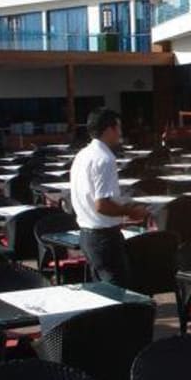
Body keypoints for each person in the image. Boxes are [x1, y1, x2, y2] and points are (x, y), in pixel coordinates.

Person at [69, 108, 149, 287]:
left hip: (87, 235)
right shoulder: (105, 158)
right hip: (104, 238)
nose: (120, 133)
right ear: (109, 129)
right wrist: (131, 212)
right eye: (118, 127)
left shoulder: (82, 155)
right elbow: (102, 205)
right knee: (118, 292)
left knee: (102, 293)